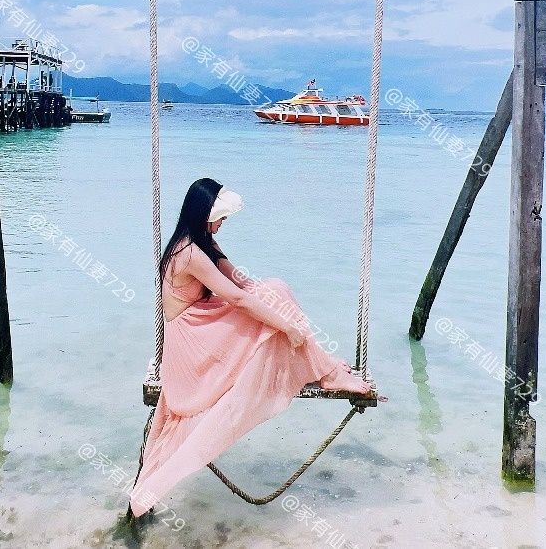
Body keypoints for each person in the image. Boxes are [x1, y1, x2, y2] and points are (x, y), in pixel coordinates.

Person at [129, 178, 371, 517]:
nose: (223, 224)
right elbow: (238, 299)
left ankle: (324, 366)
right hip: (191, 345)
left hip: (203, 325)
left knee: (276, 288)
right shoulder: (188, 253)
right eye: (220, 218)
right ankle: (326, 369)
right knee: (274, 309)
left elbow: (241, 282)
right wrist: (286, 325)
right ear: (204, 215)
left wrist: (273, 300)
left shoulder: (203, 242)